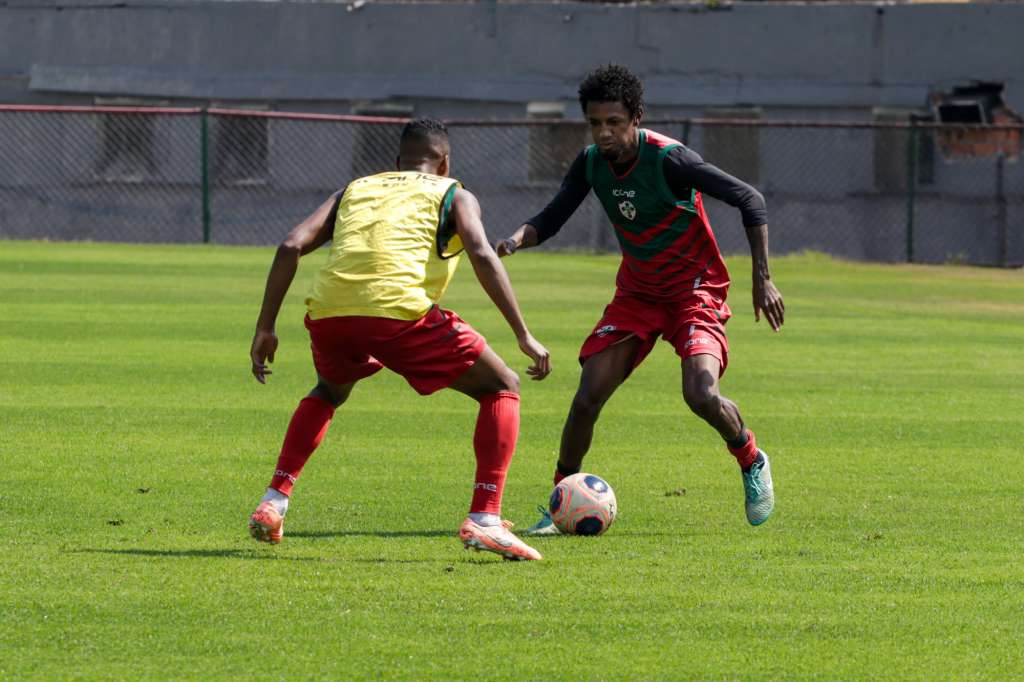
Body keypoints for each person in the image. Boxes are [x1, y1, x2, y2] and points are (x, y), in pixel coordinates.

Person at [496, 65, 784, 534]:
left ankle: (750, 457)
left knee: (701, 393)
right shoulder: (591, 162)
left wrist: (763, 279)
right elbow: (551, 217)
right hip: (638, 293)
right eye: (595, 123)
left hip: (694, 290)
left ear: (636, 118)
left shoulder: (669, 159)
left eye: (613, 122)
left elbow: (750, 199)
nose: (603, 132)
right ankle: (560, 502)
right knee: (588, 395)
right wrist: (512, 241)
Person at [247, 118, 551, 561]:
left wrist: (265, 327)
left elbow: (291, 246)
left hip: (329, 310)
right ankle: (485, 518)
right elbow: (482, 252)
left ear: (396, 163)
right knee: (502, 385)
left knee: (330, 391)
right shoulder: (454, 193)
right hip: (398, 312)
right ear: (445, 162)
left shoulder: (355, 189)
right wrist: (523, 334)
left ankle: (274, 500)